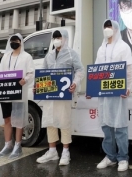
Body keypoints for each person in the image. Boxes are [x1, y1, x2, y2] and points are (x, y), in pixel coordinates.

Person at [36, 29, 84, 166]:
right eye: (55, 37)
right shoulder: (49, 55)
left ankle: (65, 151)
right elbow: (43, 73)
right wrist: (37, 86)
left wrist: (75, 83)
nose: (57, 39)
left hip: (64, 94)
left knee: (64, 121)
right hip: (49, 94)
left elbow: (80, 71)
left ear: (65, 38)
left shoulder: (71, 54)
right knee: (50, 121)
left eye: (59, 37)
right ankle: (52, 151)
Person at [0, 34, 35, 159]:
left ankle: (18, 145)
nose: (14, 43)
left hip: (18, 92)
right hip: (6, 92)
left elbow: (31, 72)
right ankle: (8, 145)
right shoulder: (6, 56)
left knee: (18, 119)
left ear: (21, 42)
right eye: (12, 41)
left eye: (16, 41)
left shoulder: (27, 57)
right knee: (7, 119)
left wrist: (25, 80)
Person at [95, 19, 132, 172]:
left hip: (118, 94)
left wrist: (129, 87)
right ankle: (110, 156)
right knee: (106, 125)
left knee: (120, 126)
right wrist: (92, 89)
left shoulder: (123, 47)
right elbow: (96, 71)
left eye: (110, 26)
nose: (107, 29)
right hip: (104, 94)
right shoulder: (101, 48)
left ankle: (123, 158)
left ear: (116, 29)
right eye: (105, 26)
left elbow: (130, 69)